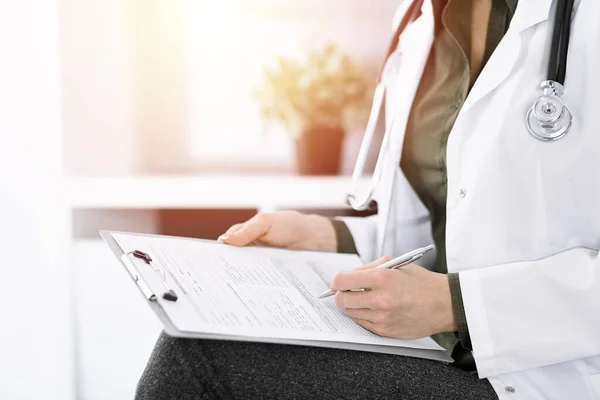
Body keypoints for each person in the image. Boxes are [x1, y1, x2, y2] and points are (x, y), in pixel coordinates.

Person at [135, 0, 600, 399]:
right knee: (201, 335)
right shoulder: (424, 20)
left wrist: (454, 304)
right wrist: (328, 236)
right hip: (434, 351)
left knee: (200, 357)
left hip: (550, 378)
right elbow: (449, 224)